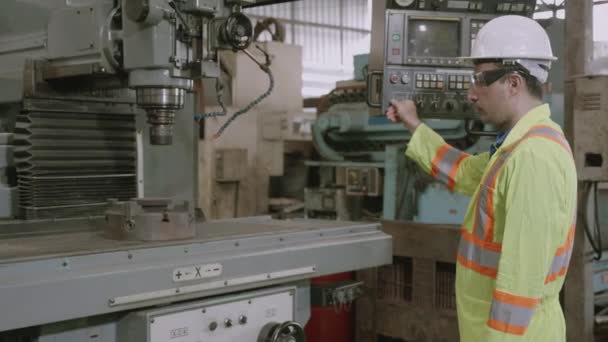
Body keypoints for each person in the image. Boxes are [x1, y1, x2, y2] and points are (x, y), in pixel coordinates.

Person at [386, 15, 577, 341]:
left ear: (513, 83)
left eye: (480, 80)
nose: (471, 94)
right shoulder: (516, 148)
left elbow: (519, 284)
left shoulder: (532, 158)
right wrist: (413, 125)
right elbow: (464, 172)